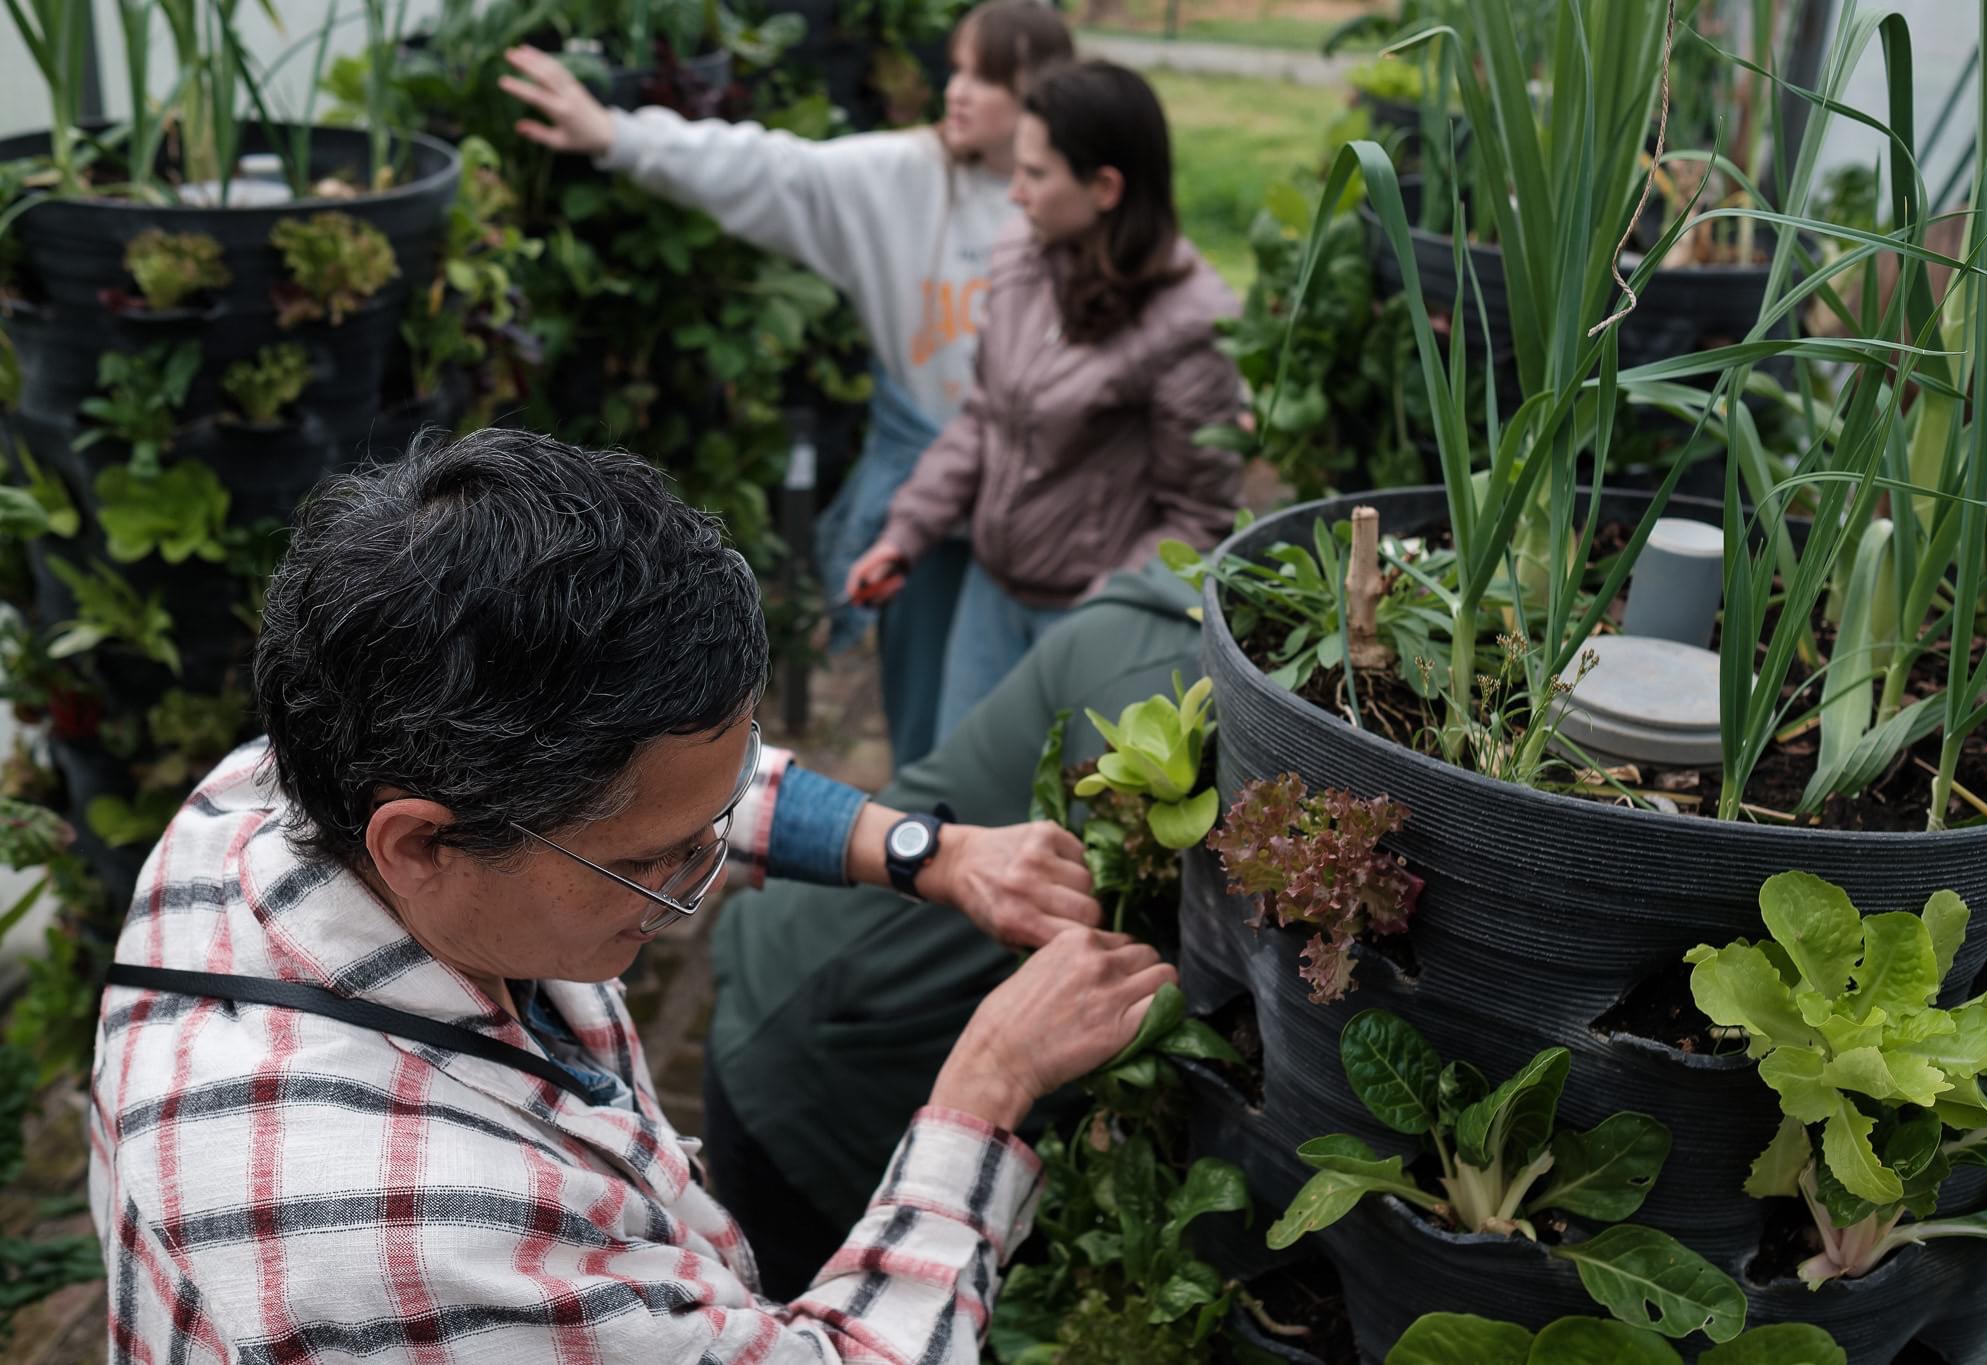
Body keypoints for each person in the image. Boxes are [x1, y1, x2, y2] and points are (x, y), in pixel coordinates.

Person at [87, 429, 1176, 1362]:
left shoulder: (283, 783)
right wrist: (986, 1089)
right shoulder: (416, 1240)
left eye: (705, 829)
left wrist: (920, 853)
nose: (693, 886)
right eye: (652, 866)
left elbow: (652, 794)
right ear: (420, 842)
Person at [500, 0, 1074, 771]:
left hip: (1050, 507)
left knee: (1036, 718)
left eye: (987, 76)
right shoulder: (906, 178)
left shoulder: (1070, 201)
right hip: (927, 506)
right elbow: (775, 169)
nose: (956, 90)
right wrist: (618, 136)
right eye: (957, 67)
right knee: (926, 708)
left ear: (1042, 92)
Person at [709, 556, 1204, 1293]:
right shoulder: (1154, 681)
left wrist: (936, 851)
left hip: (874, 1066)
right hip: (816, 1080)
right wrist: (997, 1073)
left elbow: (698, 802)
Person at [846, 61, 1243, 742]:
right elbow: (985, 417)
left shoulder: (1189, 325)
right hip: (991, 594)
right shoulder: (1026, 255)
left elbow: (1197, 517)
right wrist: (904, 532)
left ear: (1106, 188)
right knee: (963, 804)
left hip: (1091, 622)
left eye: (1035, 175)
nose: (1015, 195)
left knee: (1055, 825)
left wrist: (1096, 620)